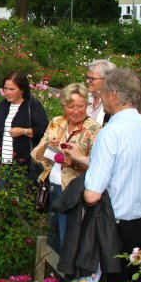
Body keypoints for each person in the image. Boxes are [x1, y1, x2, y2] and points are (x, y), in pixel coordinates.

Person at [83, 68, 141, 282]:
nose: (102, 97)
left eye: (103, 92)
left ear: (114, 94)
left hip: (116, 228)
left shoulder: (111, 132)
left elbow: (92, 194)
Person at [31, 83, 101, 253]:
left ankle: (66, 278)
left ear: (87, 105)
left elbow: (99, 167)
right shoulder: (56, 122)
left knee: (67, 241)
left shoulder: (94, 129)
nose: (76, 111)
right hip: (51, 187)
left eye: (80, 106)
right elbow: (35, 156)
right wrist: (48, 145)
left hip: (73, 192)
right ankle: (51, 278)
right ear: (63, 105)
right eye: (71, 107)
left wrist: (75, 163)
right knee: (51, 239)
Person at [0, 71, 48, 175]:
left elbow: (44, 130)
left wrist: (23, 131)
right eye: (5, 88)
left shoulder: (32, 105)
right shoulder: (4, 104)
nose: (7, 92)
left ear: (22, 90)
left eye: (12, 89)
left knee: (23, 190)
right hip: (4, 163)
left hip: (25, 165)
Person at [85, 59, 116, 127]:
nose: (87, 81)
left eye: (91, 79)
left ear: (106, 79)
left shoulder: (114, 103)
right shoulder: (84, 97)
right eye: (87, 77)